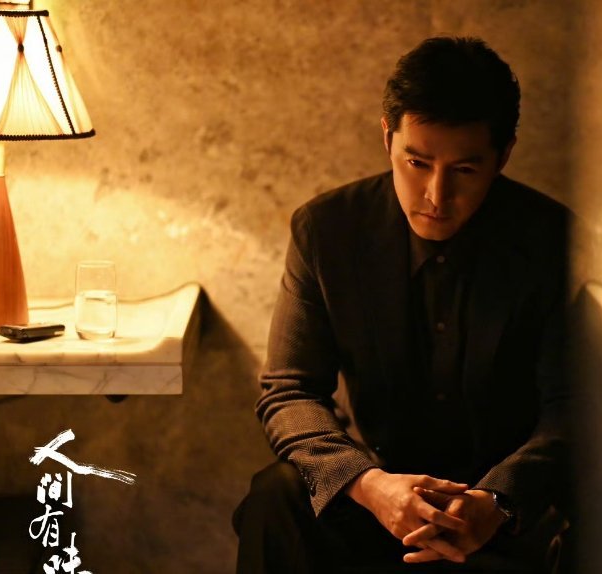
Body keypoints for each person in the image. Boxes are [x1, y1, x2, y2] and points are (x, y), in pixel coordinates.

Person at [233, 36, 574, 574]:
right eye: (417, 162)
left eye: (465, 170)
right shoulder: (327, 231)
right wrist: (367, 484)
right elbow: (289, 389)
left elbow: (573, 407)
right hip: (373, 493)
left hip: (504, 511)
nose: (436, 195)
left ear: (503, 155)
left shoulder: (553, 239)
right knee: (275, 495)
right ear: (387, 137)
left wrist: (499, 500)